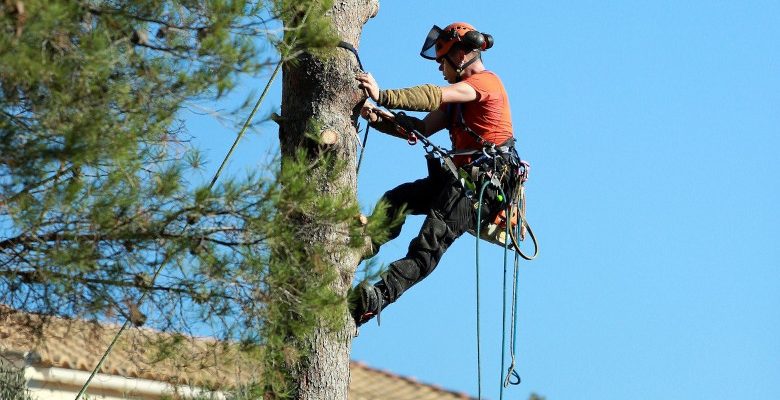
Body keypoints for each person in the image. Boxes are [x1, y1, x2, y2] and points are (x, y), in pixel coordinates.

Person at [351, 22, 519, 326]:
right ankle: (364, 243)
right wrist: (376, 117)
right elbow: (422, 127)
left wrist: (383, 95)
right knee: (397, 199)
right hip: (459, 180)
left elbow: (431, 95)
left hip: (482, 186)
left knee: (428, 245)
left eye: (443, 60)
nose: (440, 67)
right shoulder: (457, 104)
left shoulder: (485, 84)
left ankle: (377, 297)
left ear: (462, 55)